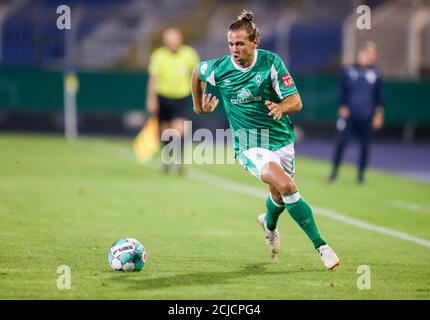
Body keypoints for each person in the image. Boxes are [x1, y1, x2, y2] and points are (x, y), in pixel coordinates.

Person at [191, 9, 339, 269]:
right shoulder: (220, 68)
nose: (234, 49)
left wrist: (282, 107)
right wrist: (198, 107)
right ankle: (322, 246)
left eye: (240, 43)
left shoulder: (270, 62)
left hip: (281, 139)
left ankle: (268, 224)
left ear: (254, 42)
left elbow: (296, 101)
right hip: (249, 143)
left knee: (279, 195)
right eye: (231, 44)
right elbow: (196, 72)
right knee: (287, 186)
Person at [328, 41, 384, 184]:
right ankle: (334, 172)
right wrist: (342, 106)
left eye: (372, 54)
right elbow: (342, 91)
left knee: (365, 146)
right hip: (349, 116)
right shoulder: (348, 70)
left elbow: (379, 97)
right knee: (341, 143)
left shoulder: (376, 74)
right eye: (367, 53)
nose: (369, 56)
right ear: (361, 53)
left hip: (366, 116)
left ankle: (361, 175)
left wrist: (378, 115)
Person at [146, 27, 200, 174]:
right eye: (168, 39)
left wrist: (199, 93)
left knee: (179, 129)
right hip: (163, 96)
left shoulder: (189, 54)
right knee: (164, 131)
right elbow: (154, 78)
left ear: (180, 39)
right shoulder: (158, 55)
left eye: (174, 38)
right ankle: (167, 159)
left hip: (180, 96)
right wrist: (151, 99)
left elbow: (197, 74)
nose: (171, 42)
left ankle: (179, 160)